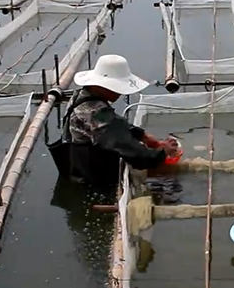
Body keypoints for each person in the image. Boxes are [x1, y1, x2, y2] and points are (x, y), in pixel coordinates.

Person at [58, 54, 181, 188]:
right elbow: (133, 152)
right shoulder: (93, 112)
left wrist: (141, 135)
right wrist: (162, 153)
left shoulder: (82, 94)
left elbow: (113, 121)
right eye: (116, 88)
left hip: (80, 165)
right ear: (101, 86)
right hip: (90, 180)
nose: (120, 93)